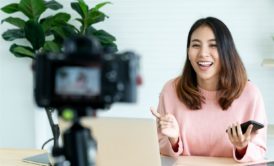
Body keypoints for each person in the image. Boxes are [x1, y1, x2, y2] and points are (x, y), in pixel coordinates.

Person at [150, 17, 267, 162]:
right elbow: (160, 153)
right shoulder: (171, 90)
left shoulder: (250, 94)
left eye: (213, 45)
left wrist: (242, 148)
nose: (203, 53)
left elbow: (259, 152)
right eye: (195, 45)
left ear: (226, 50)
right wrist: (173, 140)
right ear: (188, 51)